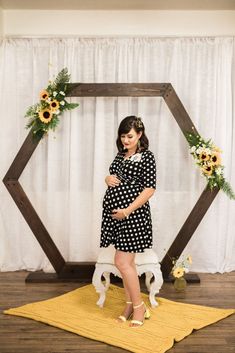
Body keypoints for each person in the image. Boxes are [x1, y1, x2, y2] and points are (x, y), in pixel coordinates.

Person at [100, 115, 157, 328]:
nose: (125, 140)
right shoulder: (120, 154)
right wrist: (107, 178)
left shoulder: (147, 157)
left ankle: (140, 307)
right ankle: (129, 304)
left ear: (140, 134)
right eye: (123, 136)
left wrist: (127, 210)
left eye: (130, 136)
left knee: (122, 262)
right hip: (117, 218)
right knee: (128, 264)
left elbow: (150, 189)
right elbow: (113, 176)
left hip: (133, 216)